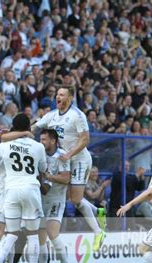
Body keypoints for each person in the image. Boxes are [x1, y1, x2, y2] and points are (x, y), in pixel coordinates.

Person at [33, 87, 106, 251]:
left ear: (70, 98)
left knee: (76, 199)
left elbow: (86, 139)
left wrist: (70, 154)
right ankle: (98, 211)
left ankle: (98, 232)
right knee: (72, 199)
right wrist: (16, 133)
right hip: (64, 160)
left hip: (79, 159)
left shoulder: (77, 115)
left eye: (61, 94)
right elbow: (35, 127)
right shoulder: (51, 116)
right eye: (57, 94)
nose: (57, 96)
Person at [0, 113, 47, 263]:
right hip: (31, 189)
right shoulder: (38, 146)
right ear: (29, 127)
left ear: (13, 127)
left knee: (11, 234)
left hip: (11, 190)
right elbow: (42, 168)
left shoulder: (4, 145)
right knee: (33, 235)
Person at [37, 129, 72, 263]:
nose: (41, 142)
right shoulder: (39, 154)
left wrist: (49, 177)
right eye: (41, 139)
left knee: (52, 232)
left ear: (53, 141)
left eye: (44, 139)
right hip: (40, 199)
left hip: (56, 200)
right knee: (41, 239)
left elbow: (66, 178)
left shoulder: (62, 156)